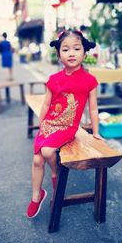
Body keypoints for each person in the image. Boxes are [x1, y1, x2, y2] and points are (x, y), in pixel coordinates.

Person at [26, 29, 104, 219]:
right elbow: (46, 104)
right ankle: (37, 195)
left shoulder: (89, 81)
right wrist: (41, 125)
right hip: (50, 123)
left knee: (46, 152)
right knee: (37, 159)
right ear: (59, 54)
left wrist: (96, 132)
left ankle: (55, 173)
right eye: (66, 49)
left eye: (76, 49)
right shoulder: (53, 80)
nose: (71, 53)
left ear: (84, 53)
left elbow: (93, 109)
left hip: (67, 127)